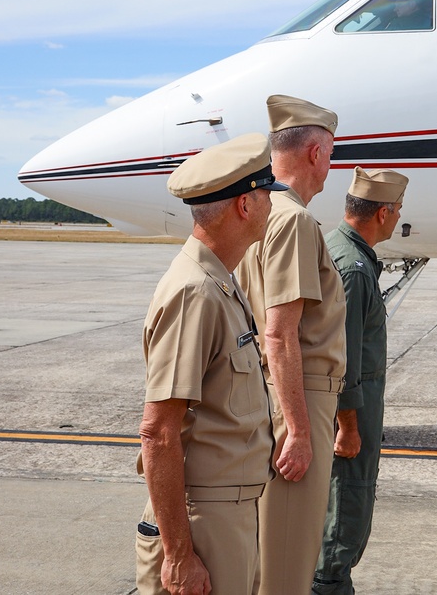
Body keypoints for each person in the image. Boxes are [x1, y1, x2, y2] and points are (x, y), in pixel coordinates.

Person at [135, 133, 284, 595]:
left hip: (228, 512)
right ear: (244, 205)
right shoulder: (195, 292)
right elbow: (158, 432)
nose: (271, 206)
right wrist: (179, 555)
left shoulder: (220, 281)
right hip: (204, 520)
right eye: (266, 196)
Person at [236, 95, 347, 595]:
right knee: (286, 568)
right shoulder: (295, 220)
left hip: (270, 394)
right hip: (299, 398)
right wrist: (299, 430)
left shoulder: (262, 214)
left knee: (266, 560)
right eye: (332, 153)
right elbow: (280, 332)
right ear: (316, 154)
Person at [313, 167, 409, 594]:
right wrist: (349, 427)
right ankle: (329, 582)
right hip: (351, 406)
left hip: (340, 403)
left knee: (337, 498)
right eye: (399, 209)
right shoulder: (352, 268)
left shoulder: (336, 247)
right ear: (384, 213)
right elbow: (344, 359)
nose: (399, 217)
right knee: (348, 499)